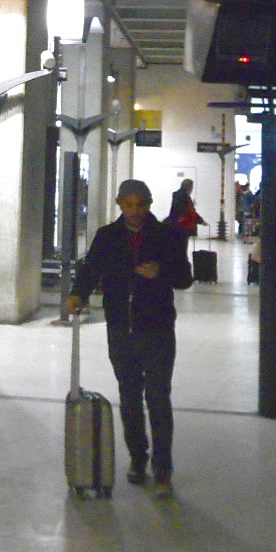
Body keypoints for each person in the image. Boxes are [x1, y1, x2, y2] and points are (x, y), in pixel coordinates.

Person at [67, 178, 194, 497]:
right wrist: (77, 295)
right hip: (121, 328)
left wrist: (160, 273)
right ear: (120, 205)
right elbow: (90, 270)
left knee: (158, 398)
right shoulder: (107, 237)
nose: (135, 212)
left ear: (149, 204)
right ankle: (138, 458)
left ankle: (162, 469)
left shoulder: (167, 236)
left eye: (140, 205)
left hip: (158, 328)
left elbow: (184, 278)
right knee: (130, 396)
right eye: (129, 205)